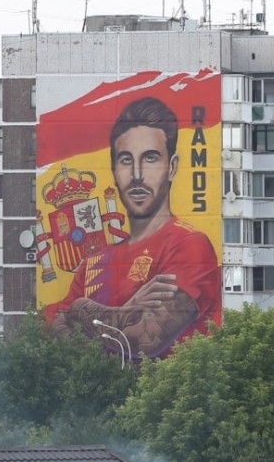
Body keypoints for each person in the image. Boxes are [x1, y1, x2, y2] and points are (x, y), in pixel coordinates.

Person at [46, 97, 221, 359]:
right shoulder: (94, 262)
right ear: (114, 170)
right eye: (126, 160)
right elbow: (53, 334)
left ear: (172, 167)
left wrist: (81, 308)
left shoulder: (190, 244)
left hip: (168, 386)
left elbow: (143, 339)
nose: (137, 175)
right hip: (100, 387)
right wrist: (128, 312)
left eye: (150, 158)